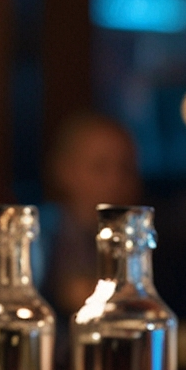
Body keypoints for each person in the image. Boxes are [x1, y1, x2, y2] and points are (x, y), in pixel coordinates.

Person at [42, 111, 142, 317]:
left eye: (125, 168)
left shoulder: (150, 246)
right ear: (64, 170)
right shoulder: (39, 239)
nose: (115, 181)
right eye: (100, 167)